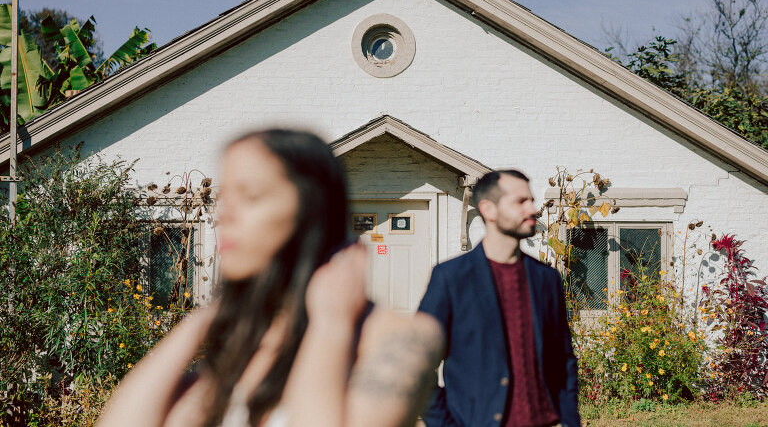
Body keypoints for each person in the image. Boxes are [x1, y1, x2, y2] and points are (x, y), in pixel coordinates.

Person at [98, 129, 443, 427]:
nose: (224, 214)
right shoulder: (242, 343)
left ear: (312, 213)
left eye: (250, 196)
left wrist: (331, 325)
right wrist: (203, 319)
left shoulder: (399, 338)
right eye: (224, 196)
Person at [418, 170, 580, 427]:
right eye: (520, 201)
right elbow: (417, 363)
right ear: (488, 210)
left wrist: (570, 420)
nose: (533, 209)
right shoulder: (451, 279)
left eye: (531, 200)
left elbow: (564, 359)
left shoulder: (546, 279)